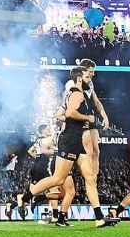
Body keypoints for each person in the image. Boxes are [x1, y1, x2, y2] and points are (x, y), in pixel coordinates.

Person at [43, 67, 117, 228]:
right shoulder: (74, 88)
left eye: (92, 73)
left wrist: (103, 115)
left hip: (80, 132)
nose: (92, 75)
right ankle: (28, 198)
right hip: (73, 136)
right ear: (81, 74)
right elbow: (66, 111)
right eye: (89, 72)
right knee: (61, 182)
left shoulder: (88, 87)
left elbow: (95, 102)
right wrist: (80, 119)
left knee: (83, 181)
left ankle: (95, 217)